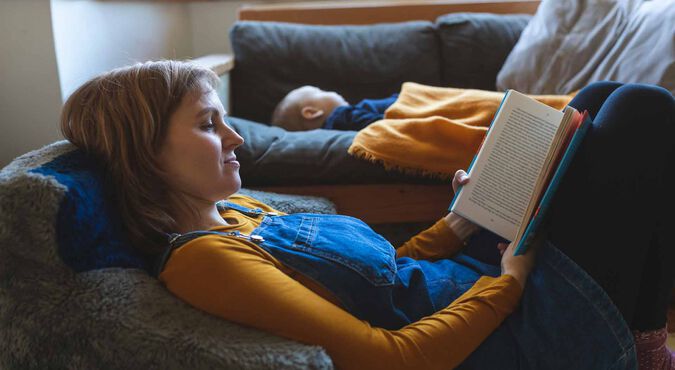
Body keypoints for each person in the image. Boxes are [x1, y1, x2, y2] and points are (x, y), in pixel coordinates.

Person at [59, 60, 675, 370]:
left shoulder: (237, 210)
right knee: (643, 111)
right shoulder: (202, 261)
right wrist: (511, 280)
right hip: (513, 334)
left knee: (590, 107)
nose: (236, 138)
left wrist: (460, 219)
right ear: (144, 151)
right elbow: (391, 357)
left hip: (475, 277)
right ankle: (637, 345)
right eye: (206, 124)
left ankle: (641, 338)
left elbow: (384, 274)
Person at [270, 85, 397, 131]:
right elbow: (384, 124)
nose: (331, 91)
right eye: (321, 91)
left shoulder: (344, 119)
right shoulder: (341, 118)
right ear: (312, 112)